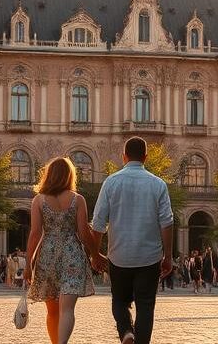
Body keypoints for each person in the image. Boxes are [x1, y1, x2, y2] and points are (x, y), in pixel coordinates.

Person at [91, 137, 174, 344]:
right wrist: (168, 256)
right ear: (145, 157)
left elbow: (98, 222)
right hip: (149, 258)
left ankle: (126, 332)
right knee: (146, 305)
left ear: (124, 156)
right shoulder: (158, 184)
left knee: (119, 301)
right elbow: (167, 222)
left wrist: (95, 254)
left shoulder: (111, 182)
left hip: (119, 256)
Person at [25, 157, 97, 344]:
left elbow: (35, 234)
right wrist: (95, 254)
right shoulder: (78, 199)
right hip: (72, 254)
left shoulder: (38, 200)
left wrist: (28, 264)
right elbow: (83, 232)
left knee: (52, 311)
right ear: (69, 176)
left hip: (48, 256)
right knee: (67, 309)